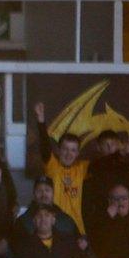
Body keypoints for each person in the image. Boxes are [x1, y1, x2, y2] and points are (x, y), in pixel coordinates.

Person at [33, 101, 90, 235]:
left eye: (73, 150)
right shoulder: (53, 166)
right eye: (65, 149)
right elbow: (45, 147)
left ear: (78, 153)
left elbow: (107, 165)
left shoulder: (83, 168)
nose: (68, 154)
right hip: (54, 228)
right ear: (58, 150)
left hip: (77, 230)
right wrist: (41, 121)